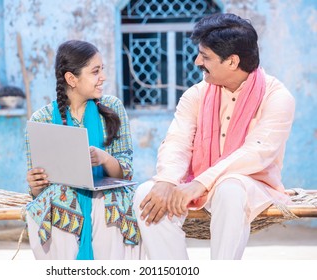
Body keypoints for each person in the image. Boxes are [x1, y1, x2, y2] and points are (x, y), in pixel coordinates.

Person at [133, 13, 295, 260]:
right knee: (147, 193)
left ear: (232, 62)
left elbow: (256, 153)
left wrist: (200, 184)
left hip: (251, 184)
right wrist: (166, 180)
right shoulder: (196, 94)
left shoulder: (277, 97)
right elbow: (178, 141)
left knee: (230, 189)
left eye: (205, 57)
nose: (197, 61)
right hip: (195, 180)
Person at [25, 40, 142, 260]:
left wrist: (105, 158)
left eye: (102, 70)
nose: (103, 78)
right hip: (62, 198)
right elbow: (37, 192)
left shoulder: (112, 108)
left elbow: (126, 172)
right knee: (58, 198)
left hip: (106, 194)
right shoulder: (41, 120)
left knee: (107, 201)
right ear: (71, 79)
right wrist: (34, 184)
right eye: (95, 72)